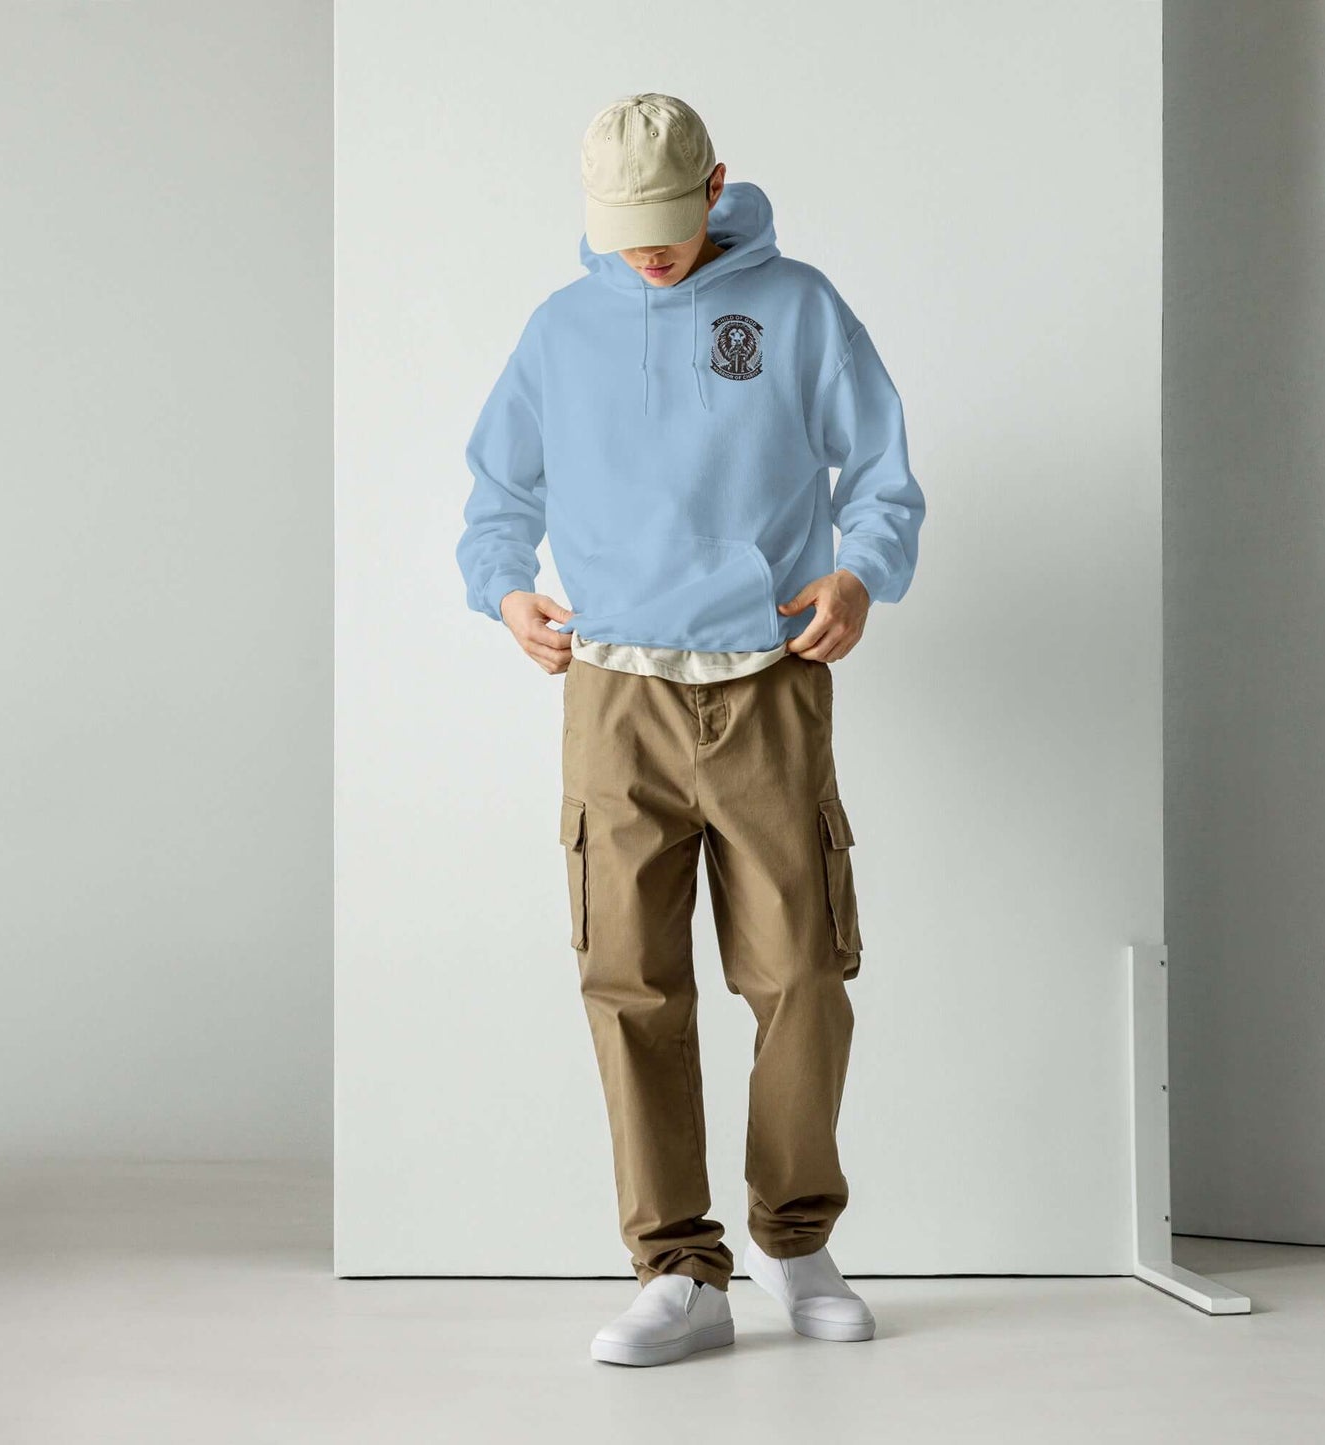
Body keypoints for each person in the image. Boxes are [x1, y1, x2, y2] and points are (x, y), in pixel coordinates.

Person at [456, 93, 925, 1367]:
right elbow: (495, 487)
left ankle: (796, 1237)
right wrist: (505, 590)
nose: (645, 252)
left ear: (715, 183)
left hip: (766, 677)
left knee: (801, 975)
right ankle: (677, 1266)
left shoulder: (799, 307)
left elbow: (880, 469)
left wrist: (858, 574)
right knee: (629, 983)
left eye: (665, 224)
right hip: (612, 693)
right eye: (622, 230)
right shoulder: (562, 327)